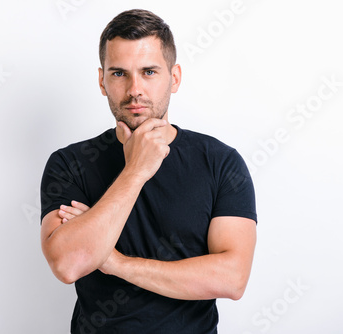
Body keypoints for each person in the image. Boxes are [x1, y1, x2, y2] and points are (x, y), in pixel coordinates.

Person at [40, 9, 257, 334]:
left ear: (175, 77)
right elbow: (69, 264)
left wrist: (114, 262)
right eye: (119, 74)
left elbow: (232, 279)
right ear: (102, 81)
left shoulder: (220, 162)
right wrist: (135, 172)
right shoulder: (69, 164)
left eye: (149, 72)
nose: (134, 89)